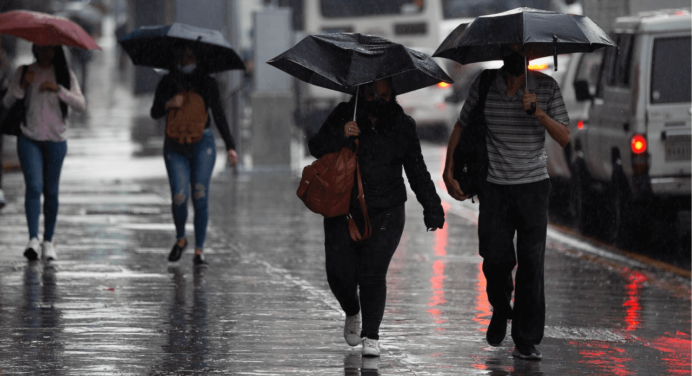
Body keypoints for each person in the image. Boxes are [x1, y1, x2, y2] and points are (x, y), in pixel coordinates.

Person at [443, 44, 570, 360]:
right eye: (511, 50)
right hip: (494, 190)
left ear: (529, 55)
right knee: (495, 259)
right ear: (502, 53)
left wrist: (538, 112)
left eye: (522, 51)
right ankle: (501, 306)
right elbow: (461, 125)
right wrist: (447, 170)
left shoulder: (546, 86)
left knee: (531, 264)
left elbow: (565, 136)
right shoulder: (485, 83)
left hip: (533, 189)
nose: (517, 56)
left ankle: (526, 339)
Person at [309, 78, 445, 357]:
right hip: (342, 209)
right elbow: (315, 146)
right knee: (338, 274)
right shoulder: (344, 114)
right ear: (361, 92)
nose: (378, 100)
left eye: (384, 94)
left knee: (372, 272)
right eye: (372, 94)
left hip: (387, 210)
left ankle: (372, 335)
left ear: (392, 94)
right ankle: (352, 309)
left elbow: (417, 170)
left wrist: (432, 206)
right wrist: (341, 135)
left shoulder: (402, 124)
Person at [150, 44, 238, 267]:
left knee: (200, 194)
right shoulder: (167, 82)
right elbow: (154, 112)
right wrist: (170, 103)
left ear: (197, 57)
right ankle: (181, 239)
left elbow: (218, 114)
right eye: (181, 54)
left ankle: (200, 250)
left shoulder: (208, 83)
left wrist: (230, 146)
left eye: (189, 55)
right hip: (174, 145)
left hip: (203, 144)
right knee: (179, 196)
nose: (185, 59)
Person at [3, 44, 86, 261]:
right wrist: (23, 85)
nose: (45, 52)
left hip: (56, 141)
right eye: (41, 48)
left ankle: (48, 242)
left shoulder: (65, 75)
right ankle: (33, 238)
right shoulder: (23, 71)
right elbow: (7, 101)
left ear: (56, 50)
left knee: (51, 191)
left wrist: (58, 89)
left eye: (50, 49)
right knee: (34, 187)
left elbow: (81, 104)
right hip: (29, 138)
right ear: (34, 48)